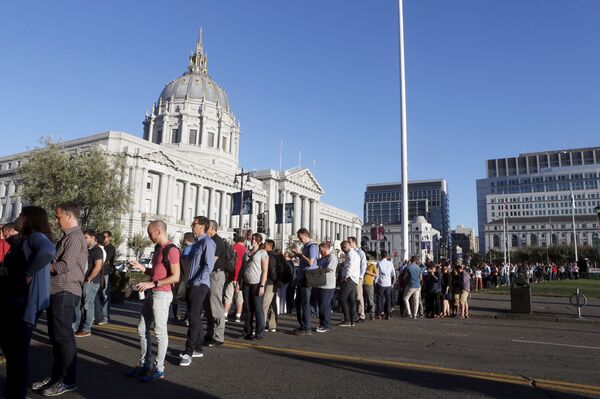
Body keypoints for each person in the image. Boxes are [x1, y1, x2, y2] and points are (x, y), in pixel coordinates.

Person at [32, 202, 87, 397]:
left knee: (63, 337)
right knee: (56, 338)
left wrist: (39, 268)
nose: (56, 221)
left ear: (70, 216)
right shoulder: (68, 237)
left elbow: (65, 266)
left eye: (58, 217)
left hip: (66, 290)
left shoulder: (75, 237)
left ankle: (68, 380)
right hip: (58, 290)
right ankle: (57, 376)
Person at [1, 212, 54, 399]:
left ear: (30, 220)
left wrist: (30, 272)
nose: (18, 217)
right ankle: (13, 390)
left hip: (20, 303)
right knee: (13, 351)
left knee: (17, 353)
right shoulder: (25, 239)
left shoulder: (35, 237)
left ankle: (16, 393)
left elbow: (48, 251)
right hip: (14, 302)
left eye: (22, 215)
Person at [126, 220, 180, 381]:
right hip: (152, 293)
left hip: (162, 294)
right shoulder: (158, 249)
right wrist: (141, 267)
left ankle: (159, 369)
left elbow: (175, 276)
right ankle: (145, 365)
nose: (148, 236)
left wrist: (152, 283)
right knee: (142, 329)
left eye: (150, 233)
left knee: (160, 332)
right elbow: (156, 273)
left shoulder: (172, 250)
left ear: (159, 231)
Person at [179, 216, 214, 366]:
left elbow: (208, 266)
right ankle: (198, 348)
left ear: (202, 227)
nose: (192, 225)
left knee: (193, 318)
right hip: (192, 284)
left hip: (200, 285)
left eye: (195, 224)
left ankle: (188, 352)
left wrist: (196, 281)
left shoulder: (208, 242)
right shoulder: (197, 243)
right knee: (196, 318)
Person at [73, 229, 104, 337]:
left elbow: (98, 266)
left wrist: (89, 279)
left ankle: (86, 329)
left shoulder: (97, 250)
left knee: (87, 305)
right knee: (79, 304)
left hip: (91, 282)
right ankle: (76, 327)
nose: (84, 239)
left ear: (93, 238)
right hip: (83, 281)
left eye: (86, 237)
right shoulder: (87, 249)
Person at [291, 228, 318, 335]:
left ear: (305, 235)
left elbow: (311, 262)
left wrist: (300, 255)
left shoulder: (312, 246)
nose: (300, 239)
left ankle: (307, 328)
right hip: (302, 277)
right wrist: (299, 255)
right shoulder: (305, 247)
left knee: (305, 303)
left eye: (300, 237)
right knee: (299, 303)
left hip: (307, 278)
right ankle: (303, 325)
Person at [204, 220, 226, 347]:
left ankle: (218, 336)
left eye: (206, 228)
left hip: (215, 275)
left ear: (212, 228)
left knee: (216, 304)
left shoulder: (218, 241)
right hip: (209, 275)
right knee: (207, 306)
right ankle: (210, 333)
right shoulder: (209, 240)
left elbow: (211, 260)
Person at [242, 233, 268, 340]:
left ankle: (259, 333)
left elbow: (265, 270)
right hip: (246, 283)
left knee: (258, 309)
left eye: (255, 239)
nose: (253, 240)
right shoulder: (247, 252)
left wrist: (262, 285)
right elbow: (243, 268)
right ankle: (247, 331)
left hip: (257, 283)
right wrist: (240, 281)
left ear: (259, 241)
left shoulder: (263, 253)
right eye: (252, 238)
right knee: (248, 309)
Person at [172, 232, 194, 323]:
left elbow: (182, 264)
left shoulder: (186, 250)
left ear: (186, 239)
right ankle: (187, 317)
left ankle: (177, 316)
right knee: (190, 299)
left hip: (184, 277)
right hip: (192, 278)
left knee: (175, 298)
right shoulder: (195, 248)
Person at [95, 230, 115, 325]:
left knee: (105, 294)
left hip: (105, 273)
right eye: (103, 237)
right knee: (99, 294)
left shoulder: (111, 248)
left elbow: (105, 260)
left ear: (109, 238)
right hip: (99, 272)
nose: (104, 238)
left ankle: (105, 316)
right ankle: (99, 315)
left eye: (106, 237)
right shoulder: (100, 247)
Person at [316, 242, 337, 333]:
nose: (320, 252)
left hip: (328, 285)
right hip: (321, 284)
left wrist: (318, 270)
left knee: (325, 305)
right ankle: (322, 323)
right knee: (322, 305)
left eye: (322, 250)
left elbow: (329, 269)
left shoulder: (332, 257)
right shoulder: (322, 258)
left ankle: (326, 325)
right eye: (320, 250)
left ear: (326, 249)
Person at [224, 234, 246, 323]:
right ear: (243, 242)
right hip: (240, 277)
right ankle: (238, 316)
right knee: (239, 298)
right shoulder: (245, 250)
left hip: (231, 275)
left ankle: (225, 315)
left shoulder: (231, 247)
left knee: (228, 297)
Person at [339, 240, 360, 327]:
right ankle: (352, 320)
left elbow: (349, 266)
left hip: (349, 278)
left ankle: (347, 320)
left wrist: (345, 276)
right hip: (354, 279)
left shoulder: (350, 254)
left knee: (342, 298)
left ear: (345, 247)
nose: (342, 251)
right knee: (352, 300)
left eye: (342, 248)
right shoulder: (355, 254)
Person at [348, 237, 367, 322]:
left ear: (354, 243)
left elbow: (363, 265)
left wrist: (360, 277)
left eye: (349, 242)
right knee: (351, 296)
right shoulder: (350, 252)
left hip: (357, 277)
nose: (348, 243)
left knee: (359, 296)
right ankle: (353, 314)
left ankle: (361, 315)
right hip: (351, 277)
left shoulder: (360, 252)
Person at [263, 239, 278, 332]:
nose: (263, 245)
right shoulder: (274, 256)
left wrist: (273, 280)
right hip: (272, 282)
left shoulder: (269, 256)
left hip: (269, 282)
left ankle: (262, 324)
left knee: (264, 305)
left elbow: (271, 270)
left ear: (269, 246)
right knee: (271, 304)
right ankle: (272, 325)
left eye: (265, 244)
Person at [375, 251, 396, 319]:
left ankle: (379, 313)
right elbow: (394, 274)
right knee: (388, 299)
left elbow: (377, 274)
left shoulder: (379, 263)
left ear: (381, 256)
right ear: (387, 256)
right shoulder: (390, 263)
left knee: (379, 299)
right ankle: (388, 314)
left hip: (381, 283)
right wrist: (393, 283)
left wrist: (375, 282)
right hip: (388, 283)